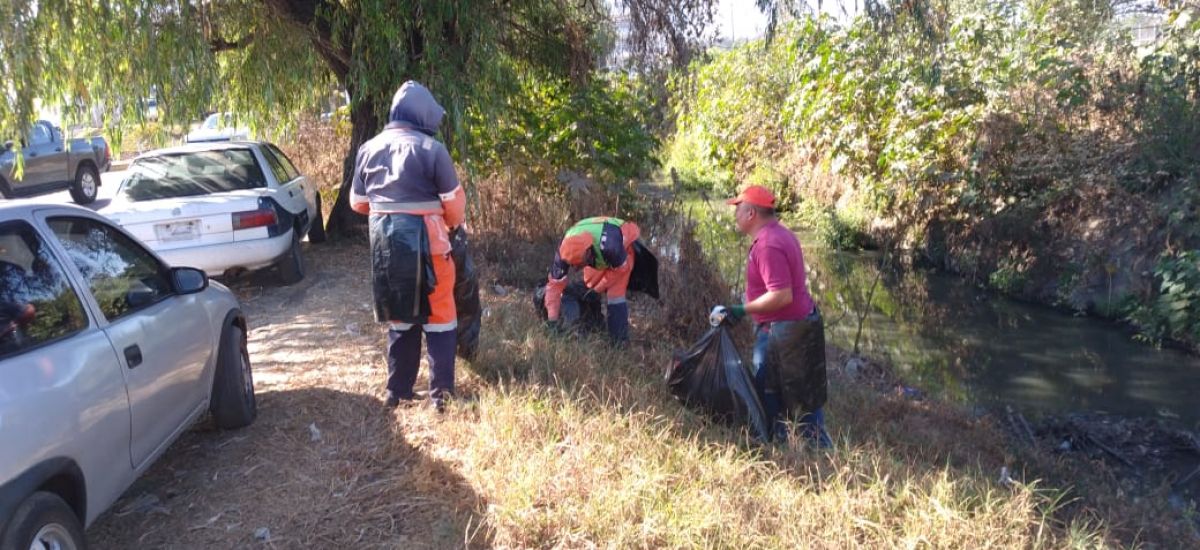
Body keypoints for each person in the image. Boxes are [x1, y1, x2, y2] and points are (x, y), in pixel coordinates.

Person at [350, 81, 466, 413]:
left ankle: (397, 391)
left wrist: (391, 210)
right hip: (430, 246)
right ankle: (440, 395)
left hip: (387, 250)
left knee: (401, 319)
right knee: (441, 317)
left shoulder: (367, 149)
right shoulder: (432, 150)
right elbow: (454, 207)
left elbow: (357, 203)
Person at [711, 185, 830, 446]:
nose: (735, 215)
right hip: (798, 325)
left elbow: (781, 295)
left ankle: (786, 449)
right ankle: (813, 449)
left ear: (751, 213)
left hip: (782, 332)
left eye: (738, 209)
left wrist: (741, 310)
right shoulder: (781, 235)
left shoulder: (767, 244)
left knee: (771, 394)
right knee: (804, 394)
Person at [544, 216, 642, 343]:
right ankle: (594, 321)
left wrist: (601, 287)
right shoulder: (563, 251)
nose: (575, 269)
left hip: (624, 247)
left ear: (588, 253)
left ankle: (619, 342)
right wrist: (552, 320)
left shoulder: (611, 245)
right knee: (590, 283)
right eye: (573, 266)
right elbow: (554, 286)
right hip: (600, 252)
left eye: (579, 265)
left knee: (615, 294)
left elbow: (621, 269)